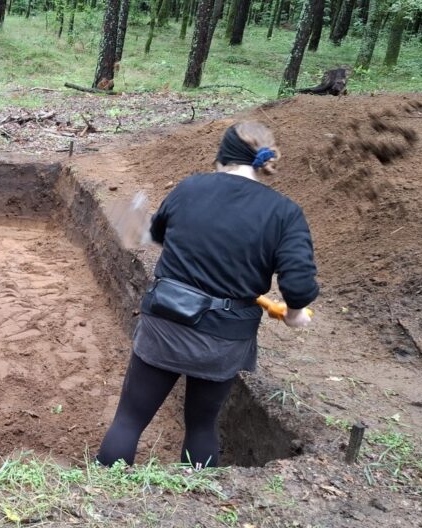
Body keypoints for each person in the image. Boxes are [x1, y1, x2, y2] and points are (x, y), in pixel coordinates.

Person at [97, 121, 318, 469]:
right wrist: (294, 316)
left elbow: (157, 234)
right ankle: (196, 496)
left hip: (165, 325)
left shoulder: (191, 188)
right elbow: (299, 284)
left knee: (129, 420)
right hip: (224, 338)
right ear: (260, 162)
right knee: (201, 427)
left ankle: (105, 491)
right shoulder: (285, 214)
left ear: (223, 157)